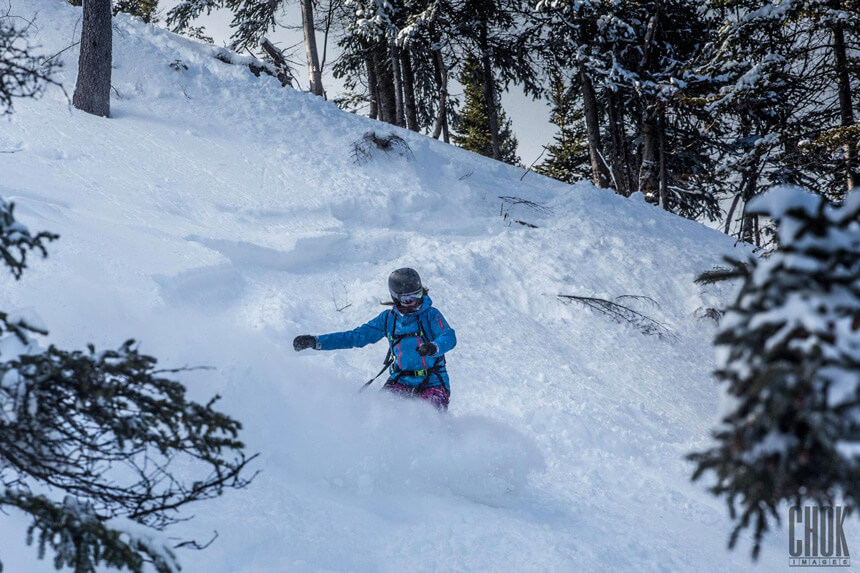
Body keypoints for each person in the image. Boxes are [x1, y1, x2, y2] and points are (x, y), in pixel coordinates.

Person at [293, 268, 456, 410]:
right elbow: (355, 337)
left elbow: (449, 336)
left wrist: (434, 347)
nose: (415, 302)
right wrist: (316, 341)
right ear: (396, 298)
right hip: (402, 381)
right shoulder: (388, 319)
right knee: (379, 413)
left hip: (433, 382)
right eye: (408, 299)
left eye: (418, 295)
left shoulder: (430, 315)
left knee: (426, 419)